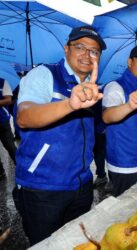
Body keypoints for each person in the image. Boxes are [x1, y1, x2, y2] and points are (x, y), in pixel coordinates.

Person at [12, 25, 106, 245]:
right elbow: (24, 117)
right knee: (45, 244)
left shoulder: (91, 88)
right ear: (66, 49)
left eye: (94, 51)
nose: (87, 55)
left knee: (75, 243)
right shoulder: (44, 74)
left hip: (82, 185)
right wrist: (70, 104)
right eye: (80, 47)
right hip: (43, 188)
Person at [102, 44, 137, 197]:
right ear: (129, 62)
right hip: (125, 165)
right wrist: (129, 106)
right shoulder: (115, 86)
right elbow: (107, 115)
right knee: (125, 213)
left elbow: (136, 122)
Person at [0, 77, 17, 178]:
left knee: (10, 145)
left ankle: (20, 167)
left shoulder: (3, 82)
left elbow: (8, 100)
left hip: (2, 121)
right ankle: (1, 172)